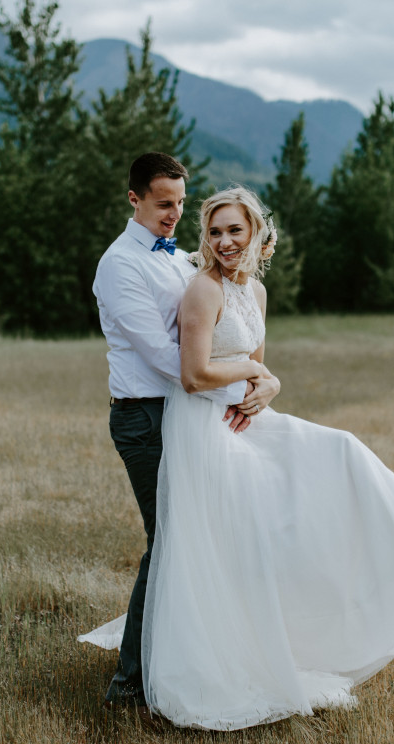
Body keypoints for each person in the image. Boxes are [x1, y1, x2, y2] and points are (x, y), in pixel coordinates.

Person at [81, 185, 394, 730]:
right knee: (241, 532)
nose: (224, 240)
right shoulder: (201, 290)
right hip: (203, 425)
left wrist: (269, 386)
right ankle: (187, 666)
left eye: (234, 229)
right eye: (214, 232)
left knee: (339, 455)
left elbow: (258, 367)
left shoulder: (255, 294)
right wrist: (253, 376)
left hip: (244, 416)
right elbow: (193, 375)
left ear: (256, 232)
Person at [89, 154, 282, 714]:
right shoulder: (120, 266)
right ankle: (128, 688)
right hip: (146, 417)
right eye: (163, 202)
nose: (175, 213)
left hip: (189, 415)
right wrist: (249, 373)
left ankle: (184, 658)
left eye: (179, 202)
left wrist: (264, 379)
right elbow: (173, 360)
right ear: (135, 199)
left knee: (196, 541)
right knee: (169, 543)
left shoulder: (179, 260)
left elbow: (225, 316)